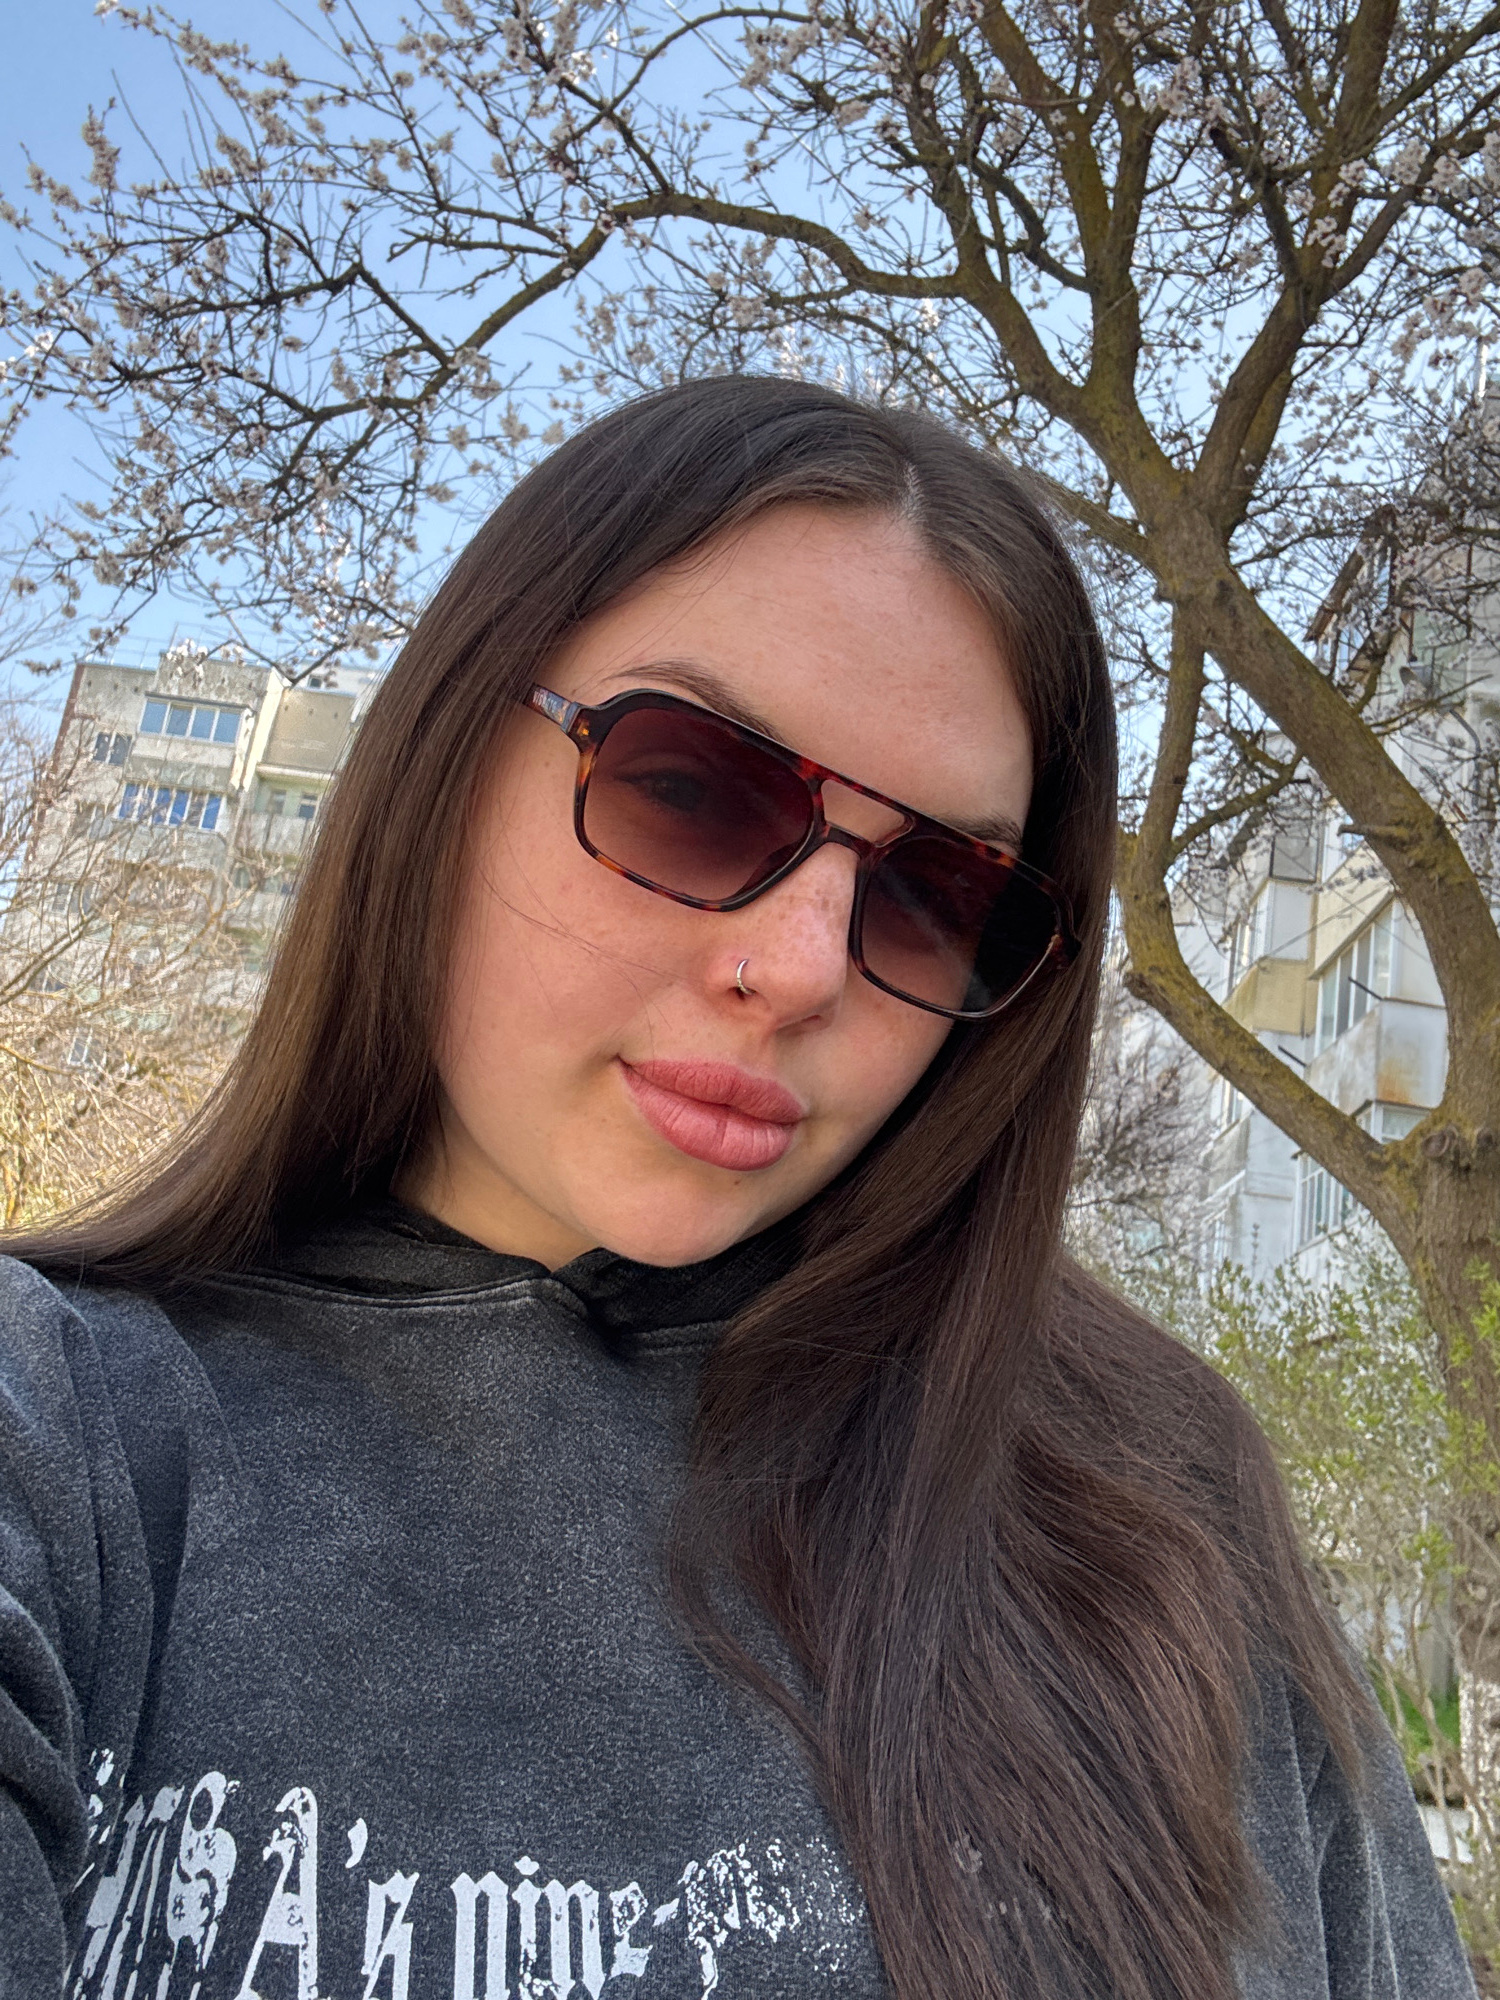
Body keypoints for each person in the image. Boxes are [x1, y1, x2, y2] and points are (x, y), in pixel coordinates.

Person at [0, 377, 1473, 2000]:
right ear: (440, 758)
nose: (801, 968)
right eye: (692, 788)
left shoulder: (1153, 1499)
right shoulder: (61, 1439)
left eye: (938, 893)